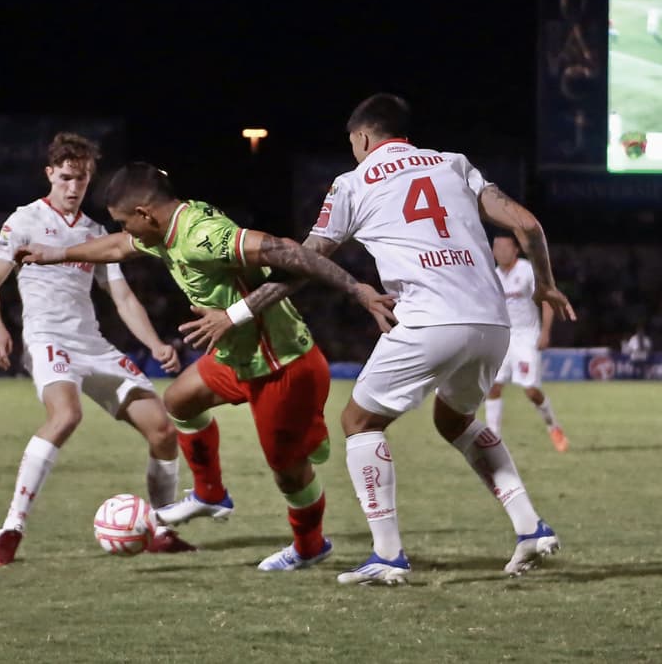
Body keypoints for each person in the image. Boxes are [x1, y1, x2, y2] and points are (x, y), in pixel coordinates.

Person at [183, 93, 576, 584]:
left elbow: (306, 261)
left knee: (358, 420)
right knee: (455, 421)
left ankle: (388, 555)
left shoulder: (353, 182)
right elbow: (527, 224)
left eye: (353, 143)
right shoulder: (454, 164)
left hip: (430, 318)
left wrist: (237, 312)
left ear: (364, 137)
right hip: (493, 323)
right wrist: (544, 283)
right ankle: (529, 527)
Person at [17, 163, 395, 573]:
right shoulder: (161, 232)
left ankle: (310, 545)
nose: (127, 231)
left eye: (126, 222)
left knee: (289, 474)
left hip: (279, 364)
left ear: (145, 214)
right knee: (179, 400)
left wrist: (360, 291)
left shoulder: (201, 235)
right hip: (236, 357)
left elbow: (291, 251)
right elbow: (115, 248)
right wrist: (55, 254)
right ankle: (211, 493)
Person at [0, 132, 192, 566]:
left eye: (83, 179)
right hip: (47, 338)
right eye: (67, 177)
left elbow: (124, 298)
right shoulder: (24, 220)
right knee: (66, 414)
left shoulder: (95, 233)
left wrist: (155, 344)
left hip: (92, 344)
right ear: (50, 174)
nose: (74, 187)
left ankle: (163, 529)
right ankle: (12, 527)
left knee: (164, 430)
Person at [483, 234, 568, 452]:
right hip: (503, 336)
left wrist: (545, 332)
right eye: (496, 247)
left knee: (531, 390)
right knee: (493, 387)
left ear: (516, 250)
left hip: (527, 336)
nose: (500, 251)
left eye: (505, 247)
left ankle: (553, 426)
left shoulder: (527, 270)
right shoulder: (492, 275)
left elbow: (547, 300)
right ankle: (493, 439)